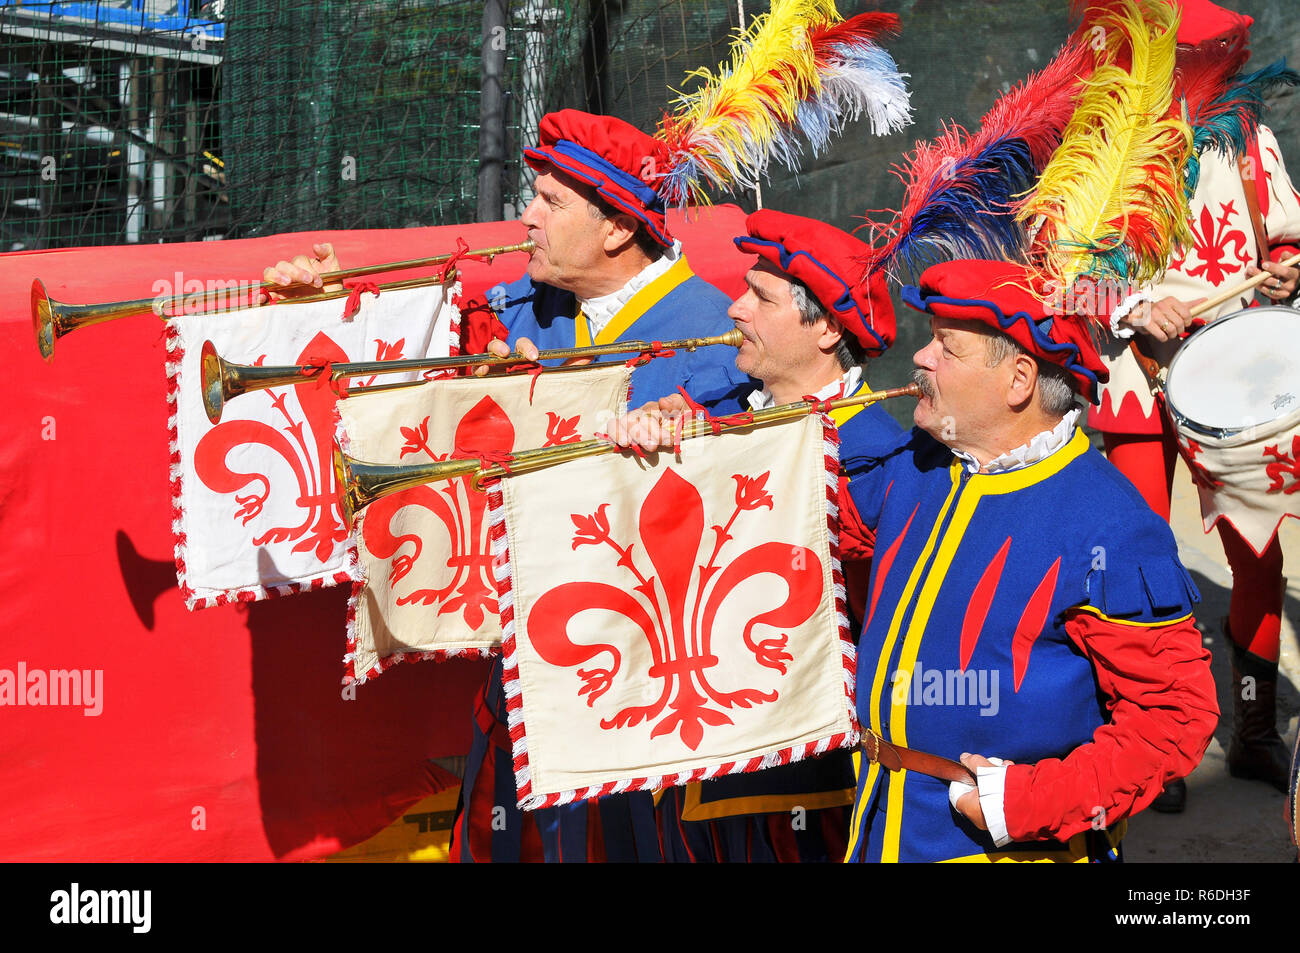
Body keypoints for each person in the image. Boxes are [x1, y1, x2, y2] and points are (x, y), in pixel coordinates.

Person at [817, 258, 1218, 862]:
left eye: (946, 347)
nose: (921, 358)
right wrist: (674, 445)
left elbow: (1173, 718)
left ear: (1019, 380)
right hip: (879, 831)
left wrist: (1028, 802)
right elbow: (816, 524)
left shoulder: (1111, 525)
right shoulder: (923, 460)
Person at [611, 209, 904, 861]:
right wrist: (641, 463)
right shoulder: (710, 420)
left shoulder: (879, 455)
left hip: (805, 789)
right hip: (691, 768)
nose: (735, 309)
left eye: (759, 297)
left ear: (825, 327)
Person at [1090, 0, 1300, 809]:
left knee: (1260, 557)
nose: (1197, 67)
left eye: (1207, 52)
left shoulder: (1250, 139)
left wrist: (1286, 267)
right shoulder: (1102, 146)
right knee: (1142, 560)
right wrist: (1135, 308)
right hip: (1138, 383)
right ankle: (1161, 745)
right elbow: (1059, 275)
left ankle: (1251, 730)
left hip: (1238, 380)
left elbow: (1283, 236)